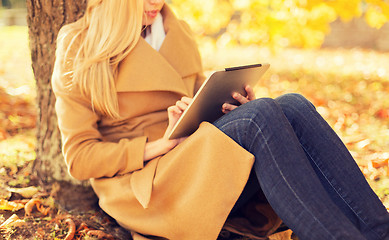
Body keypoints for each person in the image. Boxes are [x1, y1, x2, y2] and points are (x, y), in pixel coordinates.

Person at [51, 0, 389, 239]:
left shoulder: (175, 31)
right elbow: (79, 158)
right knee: (261, 117)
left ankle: (380, 231)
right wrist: (158, 146)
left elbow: (198, 102)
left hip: (190, 156)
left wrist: (231, 106)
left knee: (292, 106)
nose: (156, 3)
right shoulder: (79, 44)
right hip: (146, 184)